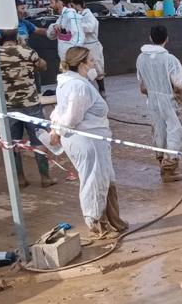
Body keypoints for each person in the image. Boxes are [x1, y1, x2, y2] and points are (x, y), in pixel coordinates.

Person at [49, 46, 128, 242]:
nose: (94, 64)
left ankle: (113, 220)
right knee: (94, 181)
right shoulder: (78, 87)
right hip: (87, 141)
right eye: (91, 61)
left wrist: (55, 128)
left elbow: (60, 111)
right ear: (82, 64)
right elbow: (71, 118)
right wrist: (56, 130)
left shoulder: (74, 83)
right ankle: (97, 225)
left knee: (105, 178)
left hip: (95, 140)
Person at [0, 30, 55, 188]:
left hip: (8, 107)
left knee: (12, 143)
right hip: (31, 104)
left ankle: (20, 179)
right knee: (39, 140)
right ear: (16, 37)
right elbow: (44, 66)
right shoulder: (27, 51)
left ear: (0, 38)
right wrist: (25, 49)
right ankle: (45, 177)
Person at [136, 25, 182, 183]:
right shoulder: (170, 59)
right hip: (171, 101)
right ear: (167, 38)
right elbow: (179, 84)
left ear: (151, 38)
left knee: (159, 130)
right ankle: (169, 169)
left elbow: (142, 87)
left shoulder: (141, 58)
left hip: (152, 100)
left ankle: (162, 163)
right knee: (175, 132)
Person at [73, 0, 107, 96]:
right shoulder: (77, 15)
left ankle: (102, 89)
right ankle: (88, 91)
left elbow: (90, 27)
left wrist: (77, 25)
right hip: (82, 45)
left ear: (78, 5)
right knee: (84, 68)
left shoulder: (88, 15)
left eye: (73, 5)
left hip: (92, 45)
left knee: (97, 67)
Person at [46, 0, 86, 64]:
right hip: (64, 59)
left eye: (52, 2)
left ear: (59, 3)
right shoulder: (61, 17)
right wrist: (54, 26)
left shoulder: (71, 15)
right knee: (65, 74)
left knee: (74, 75)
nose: (50, 5)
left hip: (72, 59)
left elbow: (79, 35)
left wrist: (75, 56)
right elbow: (50, 36)